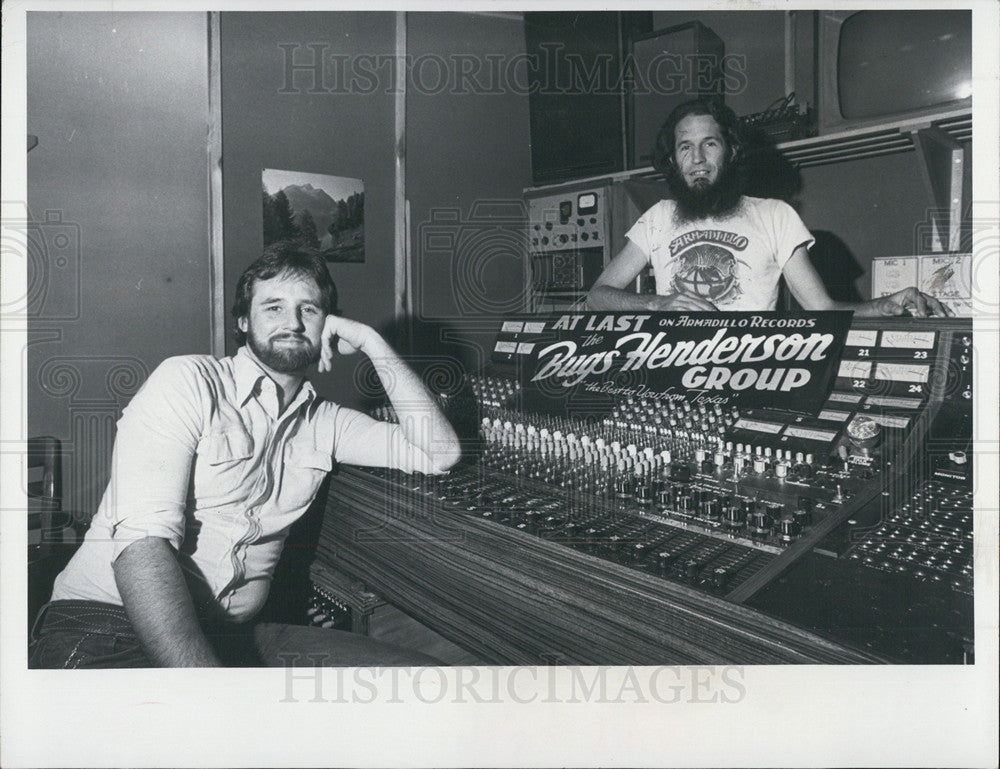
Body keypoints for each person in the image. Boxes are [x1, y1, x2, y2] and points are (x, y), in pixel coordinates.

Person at [29, 243, 461, 668]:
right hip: (109, 628)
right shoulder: (188, 381)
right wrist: (212, 696)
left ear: (328, 325)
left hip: (234, 638)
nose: (292, 322)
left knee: (422, 683)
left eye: (309, 310)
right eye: (273, 307)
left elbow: (440, 453)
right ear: (242, 320)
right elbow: (141, 546)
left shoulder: (327, 422)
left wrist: (371, 342)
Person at [587, 98, 952, 317]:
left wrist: (885, 304)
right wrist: (657, 304)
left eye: (709, 144)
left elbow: (822, 309)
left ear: (730, 151)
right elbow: (598, 296)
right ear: (674, 158)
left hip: (751, 375)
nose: (697, 158)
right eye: (685, 147)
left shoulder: (776, 215)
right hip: (670, 374)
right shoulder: (657, 218)